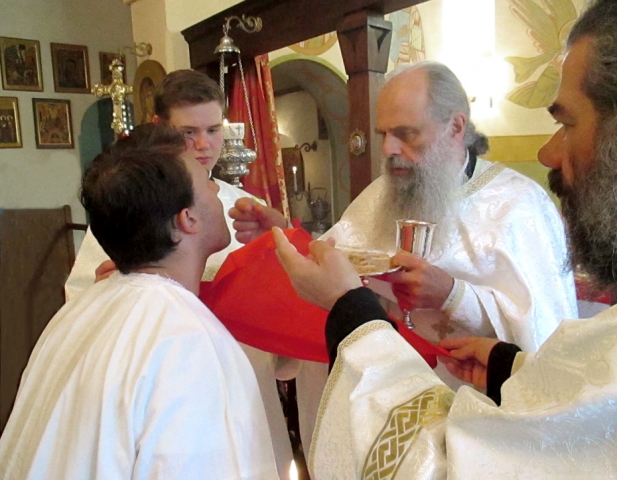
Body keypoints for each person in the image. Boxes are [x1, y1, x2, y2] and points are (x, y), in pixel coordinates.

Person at [273, 0, 617, 477]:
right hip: (451, 379)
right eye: (384, 134)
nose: (389, 150)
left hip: (471, 412)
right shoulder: (379, 194)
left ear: (456, 127)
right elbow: (330, 258)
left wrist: (455, 296)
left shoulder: (520, 207)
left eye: (406, 134)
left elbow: (548, 338)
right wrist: (504, 365)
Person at [0, 124, 278, 479]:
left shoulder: (79, 311)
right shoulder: (185, 340)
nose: (216, 189)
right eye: (206, 182)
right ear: (187, 219)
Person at [63, 69, 294, 478]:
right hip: (168, 386)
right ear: (160, 128)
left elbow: (285, 317)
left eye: (213, 129)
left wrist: (280, 243)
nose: (204, 145)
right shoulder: (134, 206)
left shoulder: (246, 208)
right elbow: (92, 309)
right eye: (189, 132)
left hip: (244, 380)